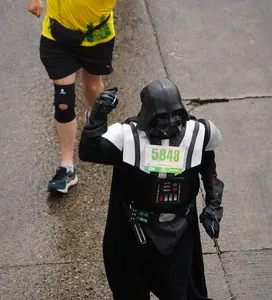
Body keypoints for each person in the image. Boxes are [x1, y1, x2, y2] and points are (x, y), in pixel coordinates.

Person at [79, 79, 224, 300]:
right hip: (136, 231)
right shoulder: (127, 137)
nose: (170, 123)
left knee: (178, 293)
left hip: (179, 229)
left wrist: (213, 207)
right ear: (148, 114)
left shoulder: (198, 134)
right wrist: (98, 117)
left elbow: (209, 171)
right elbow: (89, 152)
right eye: (162, 117)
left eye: (175, 115)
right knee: (131, 291)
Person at [27, 0, 117, 193]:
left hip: (96, 35)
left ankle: (95, 124)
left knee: (92, 86)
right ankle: (66, 167)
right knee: (63, 103)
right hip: (57, 35)